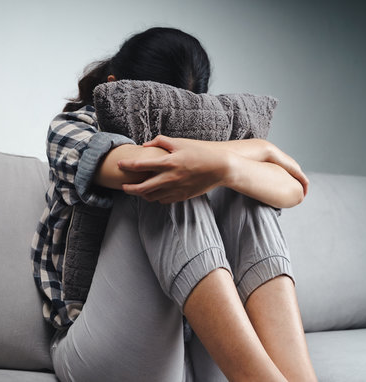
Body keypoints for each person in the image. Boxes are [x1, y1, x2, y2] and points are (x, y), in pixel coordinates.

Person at [31, 27, 318, 381]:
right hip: (97, 349)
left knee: (244, 195)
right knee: (161, 181)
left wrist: (230, 166)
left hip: (195, 347)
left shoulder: (211, 147)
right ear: (113, 86)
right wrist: (259, 150)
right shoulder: (70, 128)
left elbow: (292, 190)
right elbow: (145, 166)